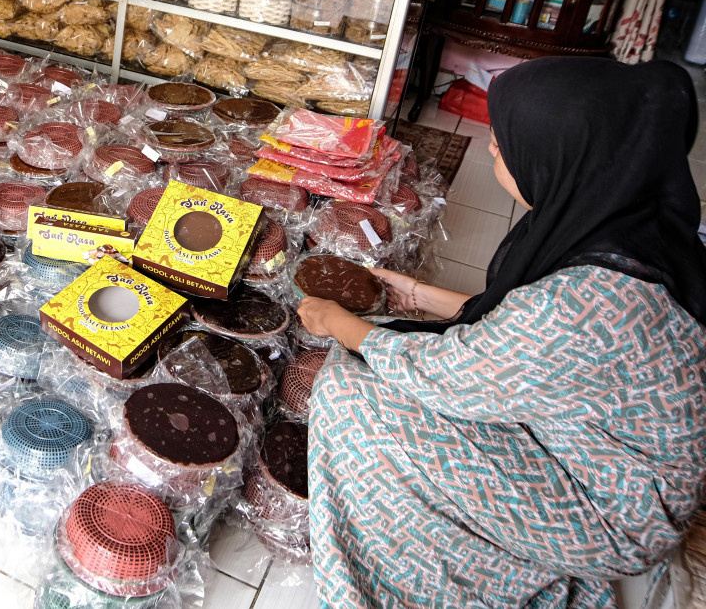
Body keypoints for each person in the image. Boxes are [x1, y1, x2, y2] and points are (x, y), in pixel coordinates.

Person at [297, 56, 706, 608]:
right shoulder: (624, 220)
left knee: (349, 395)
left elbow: (452, 377)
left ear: (559, 157)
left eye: (506, 142)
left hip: (613, 511)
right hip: (592, 443)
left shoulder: (590, 302)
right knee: (387, 346)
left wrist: (337, 324)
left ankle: (425, 576)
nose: (492, 147)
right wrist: (416, 296)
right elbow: (523, 332)